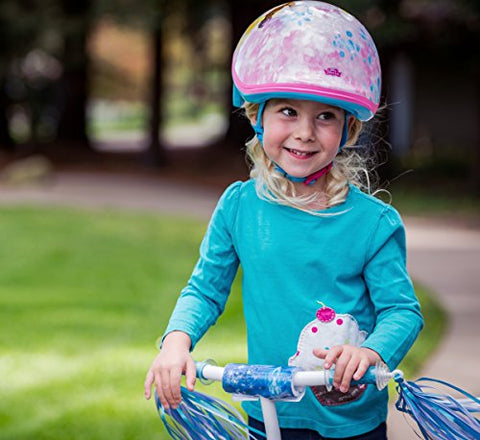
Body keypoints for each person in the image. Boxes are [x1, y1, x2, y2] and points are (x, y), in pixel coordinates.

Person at [144, 2, 423, 439]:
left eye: (325, 116)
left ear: (348, 129)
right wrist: (177, 340)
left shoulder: (373, 223)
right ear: (258, 117)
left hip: (350, 420)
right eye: (288, 111)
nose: (305, 132)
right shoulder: (239, 207)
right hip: (268, 409)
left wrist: (371, 352)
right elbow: (205, 288)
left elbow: (401, 311)